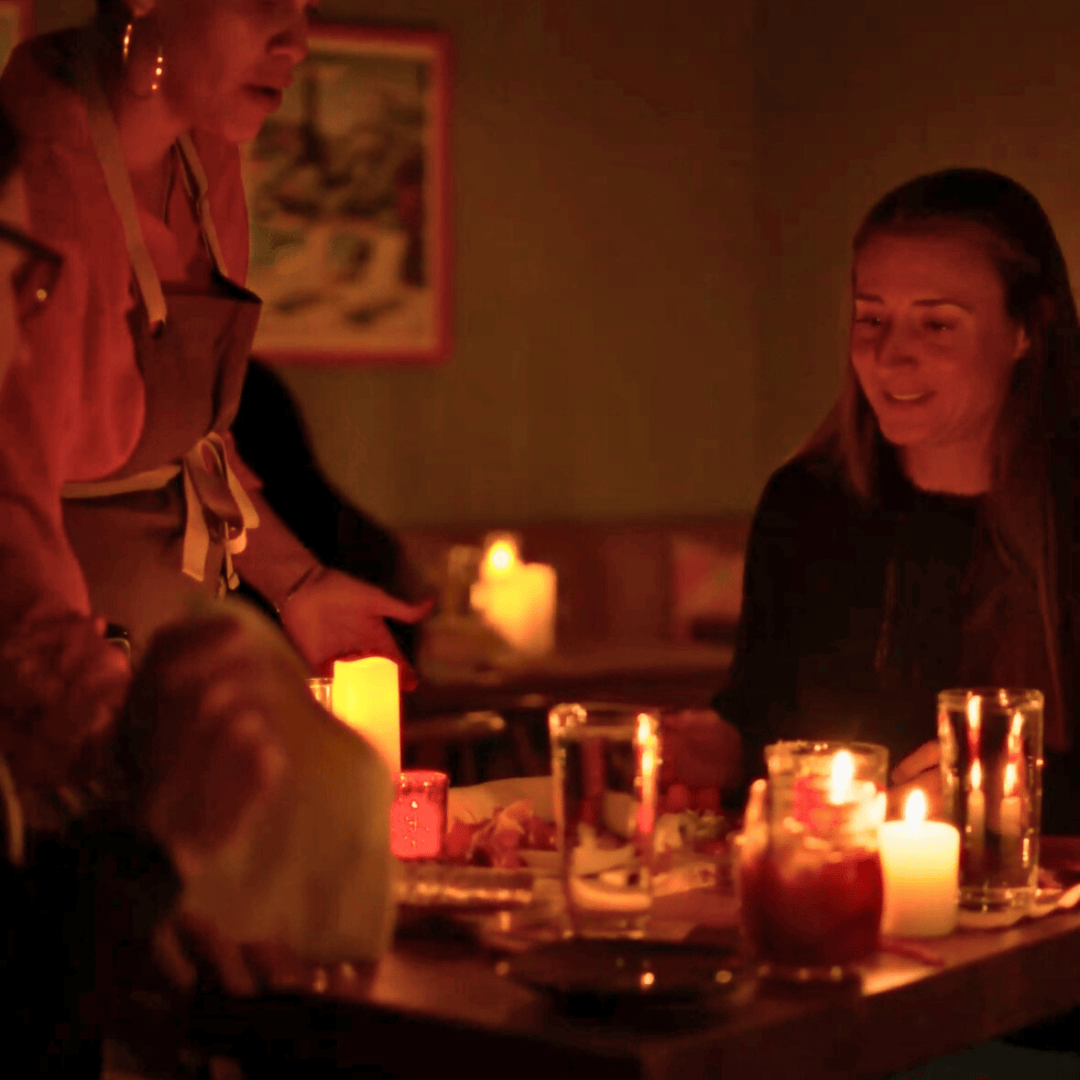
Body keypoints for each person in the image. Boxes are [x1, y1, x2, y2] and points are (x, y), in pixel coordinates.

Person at [0, 0, 427, 773]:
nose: (297, 41)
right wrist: (77, 696)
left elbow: (192, 446)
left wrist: (297, 582)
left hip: (175, 648)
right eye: (264, 1)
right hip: (57, 687)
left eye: (304, 8)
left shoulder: (205, 160)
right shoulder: (36, 174)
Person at [714, 168, 1080, 834]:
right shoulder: (810, 506)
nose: (889, 358)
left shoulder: (1068, 523)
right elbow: (763, 740)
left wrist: (1008, 797)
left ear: (1027, 330)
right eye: (871, 318)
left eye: (937, 325)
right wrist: (705, 754)